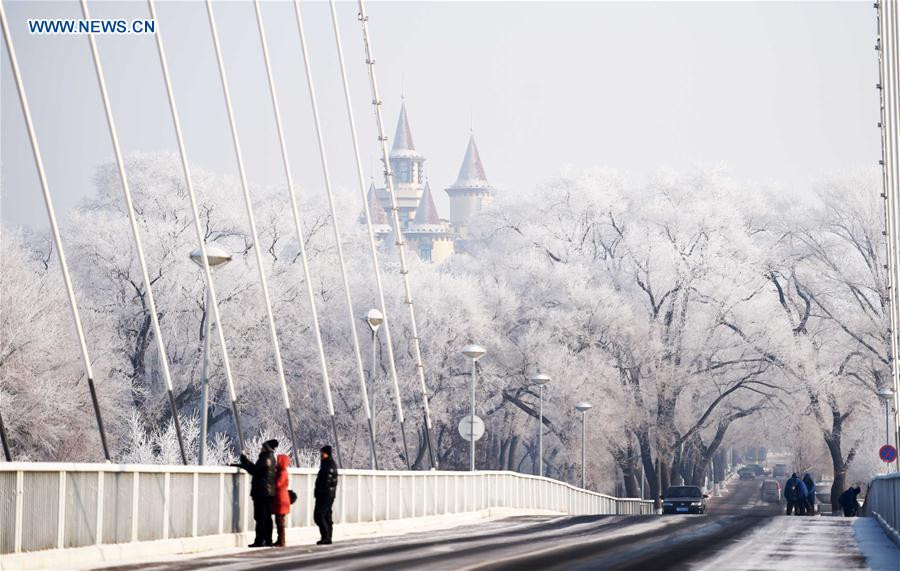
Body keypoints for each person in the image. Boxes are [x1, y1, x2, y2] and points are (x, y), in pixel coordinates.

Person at [234, 439, 278, 547]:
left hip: (261, 492)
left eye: (262, 447)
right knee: (267, 517)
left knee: (260, 517)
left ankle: (259, 541)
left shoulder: (264, 458)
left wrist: (243, 463)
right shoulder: (272, 458)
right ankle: (268, 540)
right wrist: (245, 462)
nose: (261, 449)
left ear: (266, 448)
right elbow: (257, 469)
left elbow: (254, 470)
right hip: (269, 492)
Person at [314, 445, 339, 545]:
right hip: (328, 495)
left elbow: (325, 482)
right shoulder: (327, 464)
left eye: (322, 452)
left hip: (325, 495)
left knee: (319, 515)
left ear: (327, 453)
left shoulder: (328, 465)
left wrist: (319, 492)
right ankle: (328, 537)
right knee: (327, 516)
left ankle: (326, 536)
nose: (321, 454)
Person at [271, 452, 291, 547]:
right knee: (279, 520)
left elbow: (278, 484)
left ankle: (281, 540)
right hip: (282, 498)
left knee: (280, 520)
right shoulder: (282, 471)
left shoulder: (282, 472)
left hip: (281, 499)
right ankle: (280, 539)